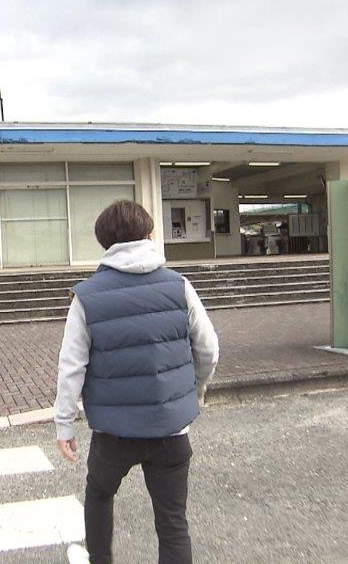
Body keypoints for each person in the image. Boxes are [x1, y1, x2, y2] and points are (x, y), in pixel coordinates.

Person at [55, 200, 219, 564]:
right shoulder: (179, 286)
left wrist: (65, 423)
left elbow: (71, 366)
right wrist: (196, 389)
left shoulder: (87, 296)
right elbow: (208, 349)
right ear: (148, 234)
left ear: (105, 242)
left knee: (100, 494)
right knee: (172, 522)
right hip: (171, 430)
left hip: (114, 434)